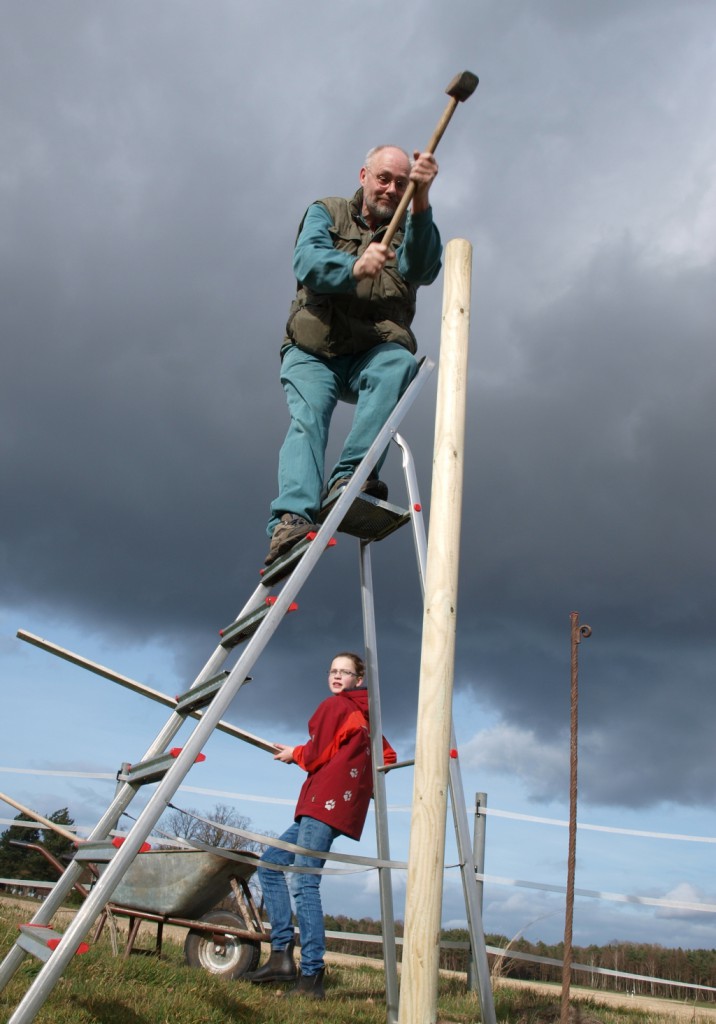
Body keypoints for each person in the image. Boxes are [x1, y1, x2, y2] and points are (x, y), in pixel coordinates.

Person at [265, 144, 442, 566]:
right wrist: (353, 268)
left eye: (401, 183)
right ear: (364, 176)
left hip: (370, 353)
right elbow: (306, 261)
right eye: (384, 179)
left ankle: (352, 478)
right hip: (314, 351)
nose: (390, 189)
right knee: (307, 419)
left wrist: (421, 199)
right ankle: (291, 517)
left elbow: (423, 269)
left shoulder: (408, 228)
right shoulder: (326, 211)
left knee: (399, 363)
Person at [248, 652, 396, 999]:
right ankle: (281, 956)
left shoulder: (337, 707)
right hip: (327, 807)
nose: (337, 676)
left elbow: (316, 752)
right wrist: (357, 787)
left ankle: (311, 975)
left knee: (304, 880)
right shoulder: (365, 716)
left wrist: (295, 754)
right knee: (270, 865)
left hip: (322, 805)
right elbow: (385, 757)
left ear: (358, 680)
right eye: (333, 670)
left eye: (345, 672)